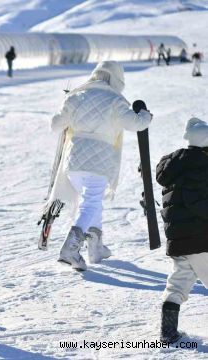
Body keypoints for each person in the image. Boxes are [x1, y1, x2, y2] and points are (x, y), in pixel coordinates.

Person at [49, 61, 153, 271]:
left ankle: (96, 247)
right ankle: (70, 248)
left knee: (91, 202)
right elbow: (135, 124)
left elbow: (55, 124)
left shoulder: (76, 96)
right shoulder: (116, 100)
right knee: (91, 203)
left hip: (73, 162)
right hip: (99, 162)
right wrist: (145, 116)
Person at [155, 117, 208, 343]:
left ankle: (168, 333)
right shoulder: (202, 167)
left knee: (178, 284)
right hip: (201, 240)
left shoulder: (174, 165)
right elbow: (200, 205)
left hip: (178, 239)